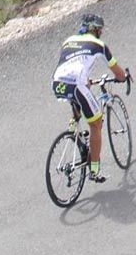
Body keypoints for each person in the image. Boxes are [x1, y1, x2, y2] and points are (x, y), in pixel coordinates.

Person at [51, 13, 130, 183]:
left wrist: (85, 82)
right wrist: (124, 77)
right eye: (100, 29)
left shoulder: (68, 41)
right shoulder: (99, 45)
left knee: (78, 99)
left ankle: (74, 128)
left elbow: (72, 64)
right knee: (96, 123)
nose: (101, 32)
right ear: (94, 29)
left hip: (57, 82)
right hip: (76, 83)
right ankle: (94, 170)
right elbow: (118, 72)